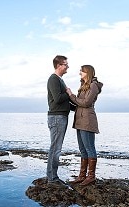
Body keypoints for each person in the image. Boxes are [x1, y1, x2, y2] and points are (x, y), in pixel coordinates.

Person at [66, 65, 104, 186]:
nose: (79, 73)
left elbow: (86, 103)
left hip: (87, 120)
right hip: (79, 120)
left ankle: (91, 176)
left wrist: (71, 96)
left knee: (89, 148)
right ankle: (82, 176)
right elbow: (78, 103)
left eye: (81, 71)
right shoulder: (83, 86)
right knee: (83, 149)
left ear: (87, 72)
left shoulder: (93, 86)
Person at [46, 55, 73, 184]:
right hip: (56, 117)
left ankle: (52, 176)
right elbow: (57, 99)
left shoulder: (60, 80)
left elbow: (64, 101)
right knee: (55, 148)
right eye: (65, 64)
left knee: (57, 147)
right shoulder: (53, 79)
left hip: (60, 116)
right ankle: (52, 178)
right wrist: (68, 93)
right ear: (58, 66)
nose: (67, 66)